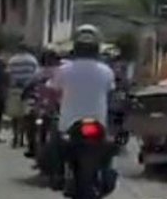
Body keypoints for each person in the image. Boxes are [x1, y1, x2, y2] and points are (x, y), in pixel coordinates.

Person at [46, 25, 116, 187]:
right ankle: (105, 173)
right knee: (108, 149)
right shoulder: (106, 71)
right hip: (99, 122)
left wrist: (52, 107)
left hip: (69, 123)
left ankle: (58, 174)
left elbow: (52, 92)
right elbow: (111, 93)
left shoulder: (63, 69)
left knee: (54, 144)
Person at [7, 43, 39, 148]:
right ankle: (22, 137)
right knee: (26, 115)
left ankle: (15, 136)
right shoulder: (32, 60)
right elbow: (36, 75)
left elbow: (9, 74)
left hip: (15, 89)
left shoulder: (12, 61)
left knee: (15, 115)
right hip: (29, 90)